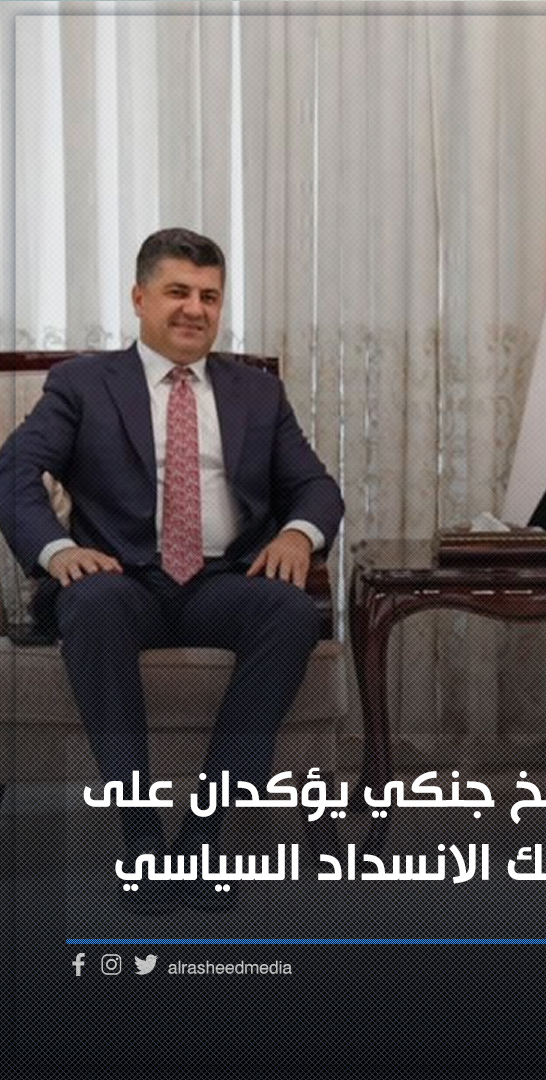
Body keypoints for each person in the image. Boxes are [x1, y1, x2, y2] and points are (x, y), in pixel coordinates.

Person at [0, 228, 344, 914]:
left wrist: (297, 536)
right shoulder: (83, 384)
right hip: (122, 581)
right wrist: (58, 551)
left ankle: (203, 838)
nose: (195, 309)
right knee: (91, 603)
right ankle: (142, 836)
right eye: (178, 292)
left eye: (209, 296)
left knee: (288, 611)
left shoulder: (256, 393)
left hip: (221, 581)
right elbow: (14, 472)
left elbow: (315, 487)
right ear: (140, 298)